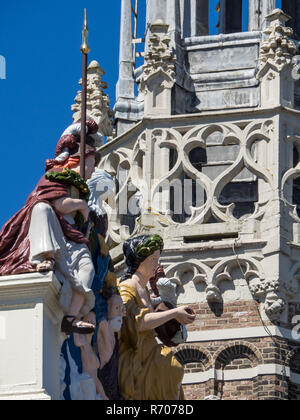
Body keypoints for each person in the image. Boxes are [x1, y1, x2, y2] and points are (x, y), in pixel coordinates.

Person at [0, 120, 100, 335]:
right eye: (91, 164)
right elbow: (57, 204)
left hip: (73, 238)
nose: (92, 171)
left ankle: (71, 318)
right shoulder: (54, 177)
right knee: (41, 208)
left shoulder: (81, 187)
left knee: (87, 269)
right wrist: (82, 205)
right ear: (77, 161)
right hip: (55, 231)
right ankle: (45, 257)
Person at [118, 234, 196, 400]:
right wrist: (174, 313)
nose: (157, 264)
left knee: (173, 370)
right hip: (136, 355)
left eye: (158, 259)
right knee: (171, 368)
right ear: (140, 260)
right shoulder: (127, 287)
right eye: (153, 259)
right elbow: (137, 322)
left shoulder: (143, 289)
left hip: (149, 350)